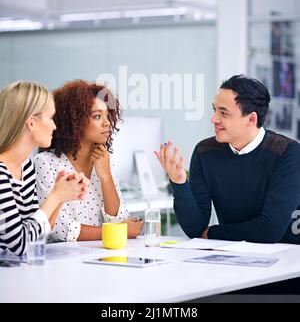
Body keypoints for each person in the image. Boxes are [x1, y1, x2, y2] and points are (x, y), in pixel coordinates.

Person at [155, 74, 300, 244]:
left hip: (289, 258)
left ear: (251, 119)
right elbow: (195, 228)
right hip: (235, 258)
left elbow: (269, 230)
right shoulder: (205, 153)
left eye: (223, 113)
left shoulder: (288, 153)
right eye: (214, 110)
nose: (214, 119)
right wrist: (179, 182)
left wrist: (212, 233)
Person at [34, 80, 143, 242]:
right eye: (97, 116)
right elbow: (61, 230)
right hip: (63, 263)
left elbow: (118, 220)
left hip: (103, 258)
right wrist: (122, 232)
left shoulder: (105, 162)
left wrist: (106, 177)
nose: (107, 123)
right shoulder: (45, 163)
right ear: (74, 121)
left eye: (107, 115)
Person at [0, 81, 88, 255]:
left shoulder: (26, 167)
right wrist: (55, 196)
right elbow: (20, 245)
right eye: (50, 118)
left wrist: (61, 196)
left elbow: (39, 234)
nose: (55, 126)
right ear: (31, 123)